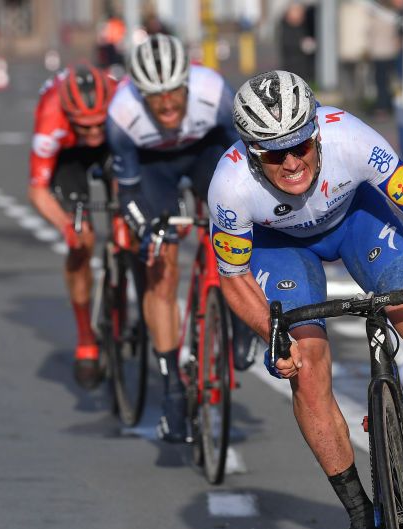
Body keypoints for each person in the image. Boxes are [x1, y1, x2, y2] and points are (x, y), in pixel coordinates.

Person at [209, 70, 403, 529]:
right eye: (273, 154)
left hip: (357, 219)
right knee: (307, 368)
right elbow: (234, 278)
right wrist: (273, 339)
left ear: (316, 133)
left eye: (299, 147)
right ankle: (360, 515)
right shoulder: (228, 186)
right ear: (250, 153)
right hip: (281, 247)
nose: (291, 163)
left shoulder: (354, 140)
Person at [107, 33, 245, 443]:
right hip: (152, 169)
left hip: (205, 153)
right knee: (160, 265)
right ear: (139, 93)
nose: (167, 105)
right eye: (155, 97)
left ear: (188, 82)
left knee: (241, 227)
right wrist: (149, 228)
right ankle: (171, 387)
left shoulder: (215, 93)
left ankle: (241, 323)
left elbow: (246, 159)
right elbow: (128, 194)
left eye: (174, 93)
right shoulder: (122, 115)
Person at [28, 63, 118, 389]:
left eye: (98, 125)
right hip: (68, 156)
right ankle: (86, 337)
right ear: (69, 115)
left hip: (116, 145)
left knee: (132, 214)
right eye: (86, 127)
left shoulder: (120, 99)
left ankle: (126, 262)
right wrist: (67, 226)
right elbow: (37, 190)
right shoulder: (51, 116)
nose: (94, 135)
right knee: (82, 242)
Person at [278, 2, 316, 83]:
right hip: (291, 71)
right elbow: (288, 44)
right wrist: (303, 45)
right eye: (297, 11)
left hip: (306, 71)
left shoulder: (305, 27)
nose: (301, 14)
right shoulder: (285, 28)